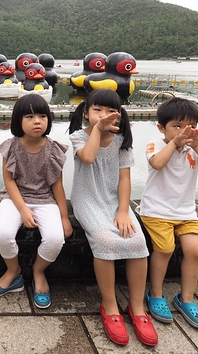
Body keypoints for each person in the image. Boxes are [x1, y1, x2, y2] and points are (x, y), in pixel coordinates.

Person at [68, 89, 157, 347]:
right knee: (106, 241)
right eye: (97, 110)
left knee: (138, 242)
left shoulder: (121, 142)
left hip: (115, 201)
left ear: (119, 114)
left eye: (110, 111)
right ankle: (110, 306)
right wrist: (98, 129)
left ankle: (137, 308)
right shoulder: (78, 137)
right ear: (86, 112)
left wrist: (123, 210)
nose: (104, 116)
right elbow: (88, 156)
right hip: (88, 199)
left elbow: (125, 178)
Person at [137, 97, 198, 330]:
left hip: (186, 212)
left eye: (190, 126)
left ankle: (186, 299)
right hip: (156, 210)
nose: (184, 131)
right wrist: (174, 143)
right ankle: (155, 294)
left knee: (195, 251)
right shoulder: (156, 143)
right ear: (161, 128)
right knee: (164, 249)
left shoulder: (193, 149)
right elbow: (157, 163)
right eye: (177, 126)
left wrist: (196, 145)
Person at [0, 93, 72, 309]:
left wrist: (64, 216)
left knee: (55, 238)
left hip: (45, 200)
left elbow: (57, 185)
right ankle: (13, 272)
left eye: (42, 116)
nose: (37, 121)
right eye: (30, 116)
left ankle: (38, 272)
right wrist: (23, 210)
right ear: (18, 120)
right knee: (3, 234)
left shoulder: (54, 149)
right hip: (15, 199)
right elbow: (9, 180)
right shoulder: (11, 146)